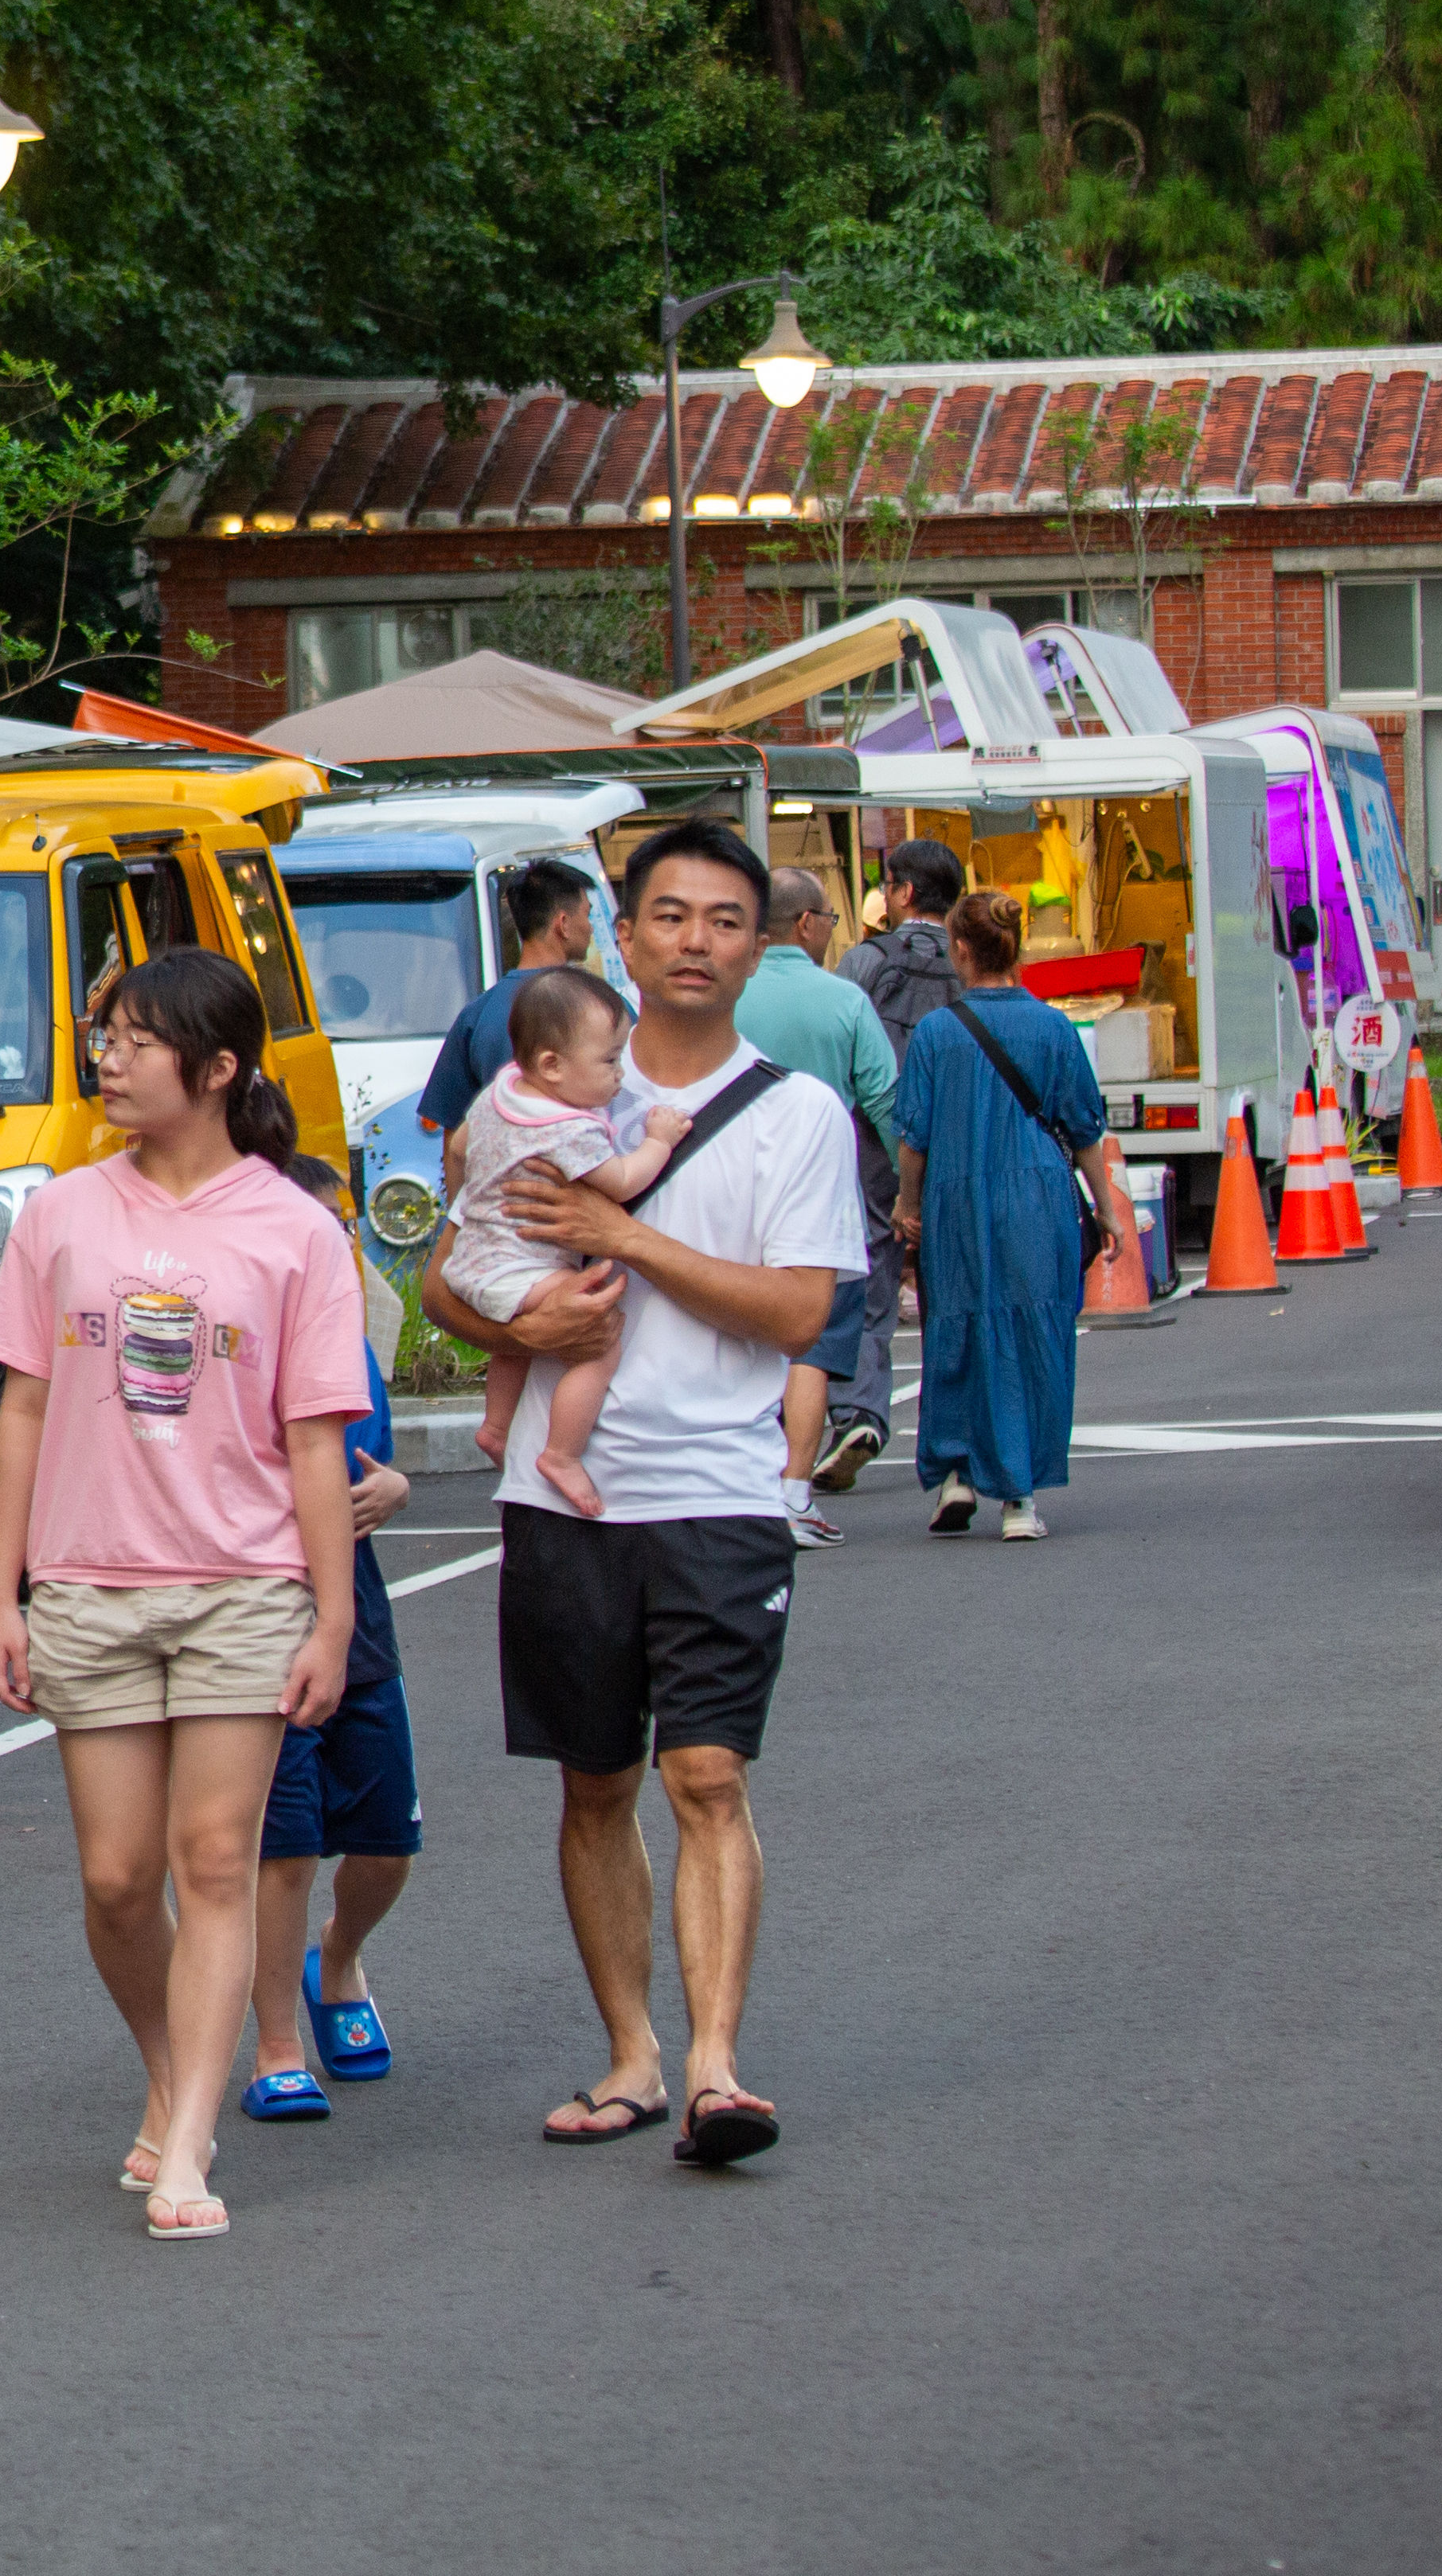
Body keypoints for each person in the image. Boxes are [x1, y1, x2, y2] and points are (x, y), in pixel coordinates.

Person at [421, 820, 855, 2171]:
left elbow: (797, 1312)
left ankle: (719, 2065)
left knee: (707, 1774)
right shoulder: (544, 1098)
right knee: (595, 1783)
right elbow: (446, 1277)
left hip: (720, 1487)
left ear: (756, 940)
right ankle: (632, 2056)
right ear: (626, 931)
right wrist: (519, 1335)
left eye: (724, 920)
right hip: (565, 1499)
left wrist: (626, 1237)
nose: (695, 943)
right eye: (670, 916)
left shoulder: (795, 1113)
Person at [0, 949, 364, 2238]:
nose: (110, 1059)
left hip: (243, 1588)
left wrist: (334, 1613)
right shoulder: (61, 1215)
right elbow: (23, 1406)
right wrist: (3, 1594)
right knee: (118, 1878)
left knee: (214, 1860)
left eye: (137, 1040)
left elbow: (316, 1441)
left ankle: (191, 2140)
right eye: (107, 1036)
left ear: (218, 1067)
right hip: (89, 1583)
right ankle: (165, 2063)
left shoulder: (297, 1230)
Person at [242, 1160, 423, 2126]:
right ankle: (276, 2044)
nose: (335, 1249)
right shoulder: (238, 1344)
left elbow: (372, 1468)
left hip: (361, 1611)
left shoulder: (353, 1344)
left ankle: (339, 1957)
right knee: (285, 1840)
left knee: (389, 1837)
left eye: (343, 1230)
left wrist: (397, 1489)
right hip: (265, 1613)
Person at [894, 889, 1133, 1543]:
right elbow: (1085, 1127)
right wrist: (1108, 1212)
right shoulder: (1055, 1028)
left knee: (957, 1330)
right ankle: (1019, 1499)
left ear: (961, 952)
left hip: (956, 1198)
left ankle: (954, 1472)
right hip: (1038, 1197)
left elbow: (912, 1138)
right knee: (1032, 1336)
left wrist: (907, 1208)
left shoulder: (938, 1034)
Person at [447, 969, 698, 1518]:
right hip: (523, 1265)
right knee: (600, 1333)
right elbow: (625, 1180)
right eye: (608, 1061)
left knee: (513, 1340)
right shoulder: (567, 1128)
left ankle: (495, 1427)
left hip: (473, 1261)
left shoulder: (504, 1091)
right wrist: (658, 1139)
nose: (619, 1074)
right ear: (552, 1066)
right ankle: (561, 1453)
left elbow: (462, 1146)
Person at [735, 868, 897, 1548]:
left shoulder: (722, 997)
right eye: (831, 918)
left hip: (734, 1200)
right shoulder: (844, 1002)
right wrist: (910, 1193)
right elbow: (886, 1101)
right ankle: (794, 1494)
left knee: (739, 1344)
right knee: (814, 1349)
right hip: (823, 1198)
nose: (834, 931)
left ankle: (739, 1490)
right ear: (805, 925)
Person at [824, 839, 966, 1487]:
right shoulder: (973, 959)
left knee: (873, 1274)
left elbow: (846, 1044)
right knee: (958, 1284)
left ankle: (858, 1410)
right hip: (964, 1141)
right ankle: (959, 1431)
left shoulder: (864, 961)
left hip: (876, 1143)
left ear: (904, 892)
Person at [415, 859, 600, 1140]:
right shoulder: (602, 1007)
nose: (591, 927)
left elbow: (454, 1134)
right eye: (587, 915)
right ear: (563, 924)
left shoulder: (476, 1016)